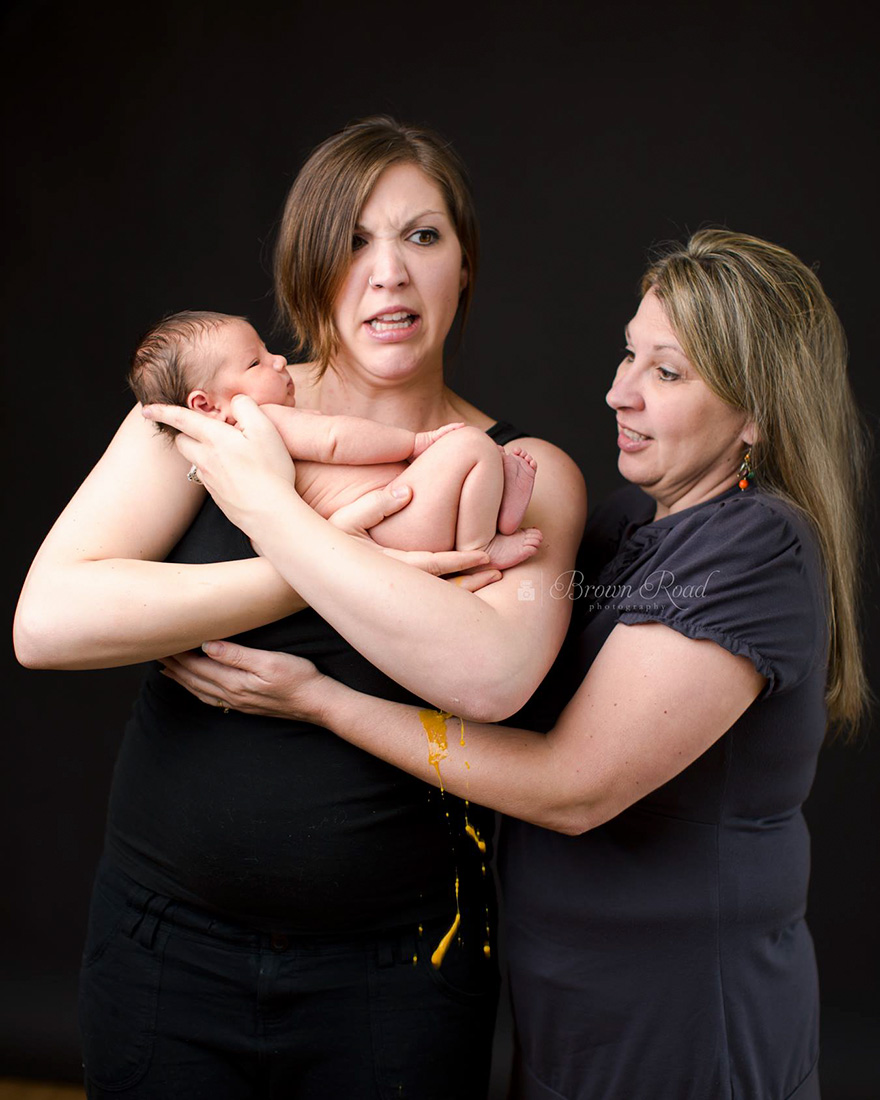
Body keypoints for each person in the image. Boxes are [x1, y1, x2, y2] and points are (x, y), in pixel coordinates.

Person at [156, 230, 868, 1100]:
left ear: (757, 413)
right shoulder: (625, 528)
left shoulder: (754, 546)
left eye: (667, 373)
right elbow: (477, 649)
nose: (619, 392)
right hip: (569, 1004)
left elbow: (573, 788)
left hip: (683, 1014)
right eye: (629, 355)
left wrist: (323, 702)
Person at [13, 117, 586, 1099]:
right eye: (353, 241)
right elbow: (48, 621)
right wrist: (302, 566)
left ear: (463, 265)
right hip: (166, 943)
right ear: (306, 268)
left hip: (400, 969)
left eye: (421, 236)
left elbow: (491, 678)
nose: (388, 273)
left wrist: (273, 516)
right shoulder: (214, 410)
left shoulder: (521, 472)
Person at [128, 309, 542, 569]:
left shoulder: (233, 458)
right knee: (469, 443)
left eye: (267, 350)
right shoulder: (261, 421)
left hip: (393, 515)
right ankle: (481, 547)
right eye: (256, 363)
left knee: (473, 459)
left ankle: (496, 507)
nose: (279, 360)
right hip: (394, 522)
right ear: (206, 405)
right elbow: (335, 439)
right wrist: (416, 443)